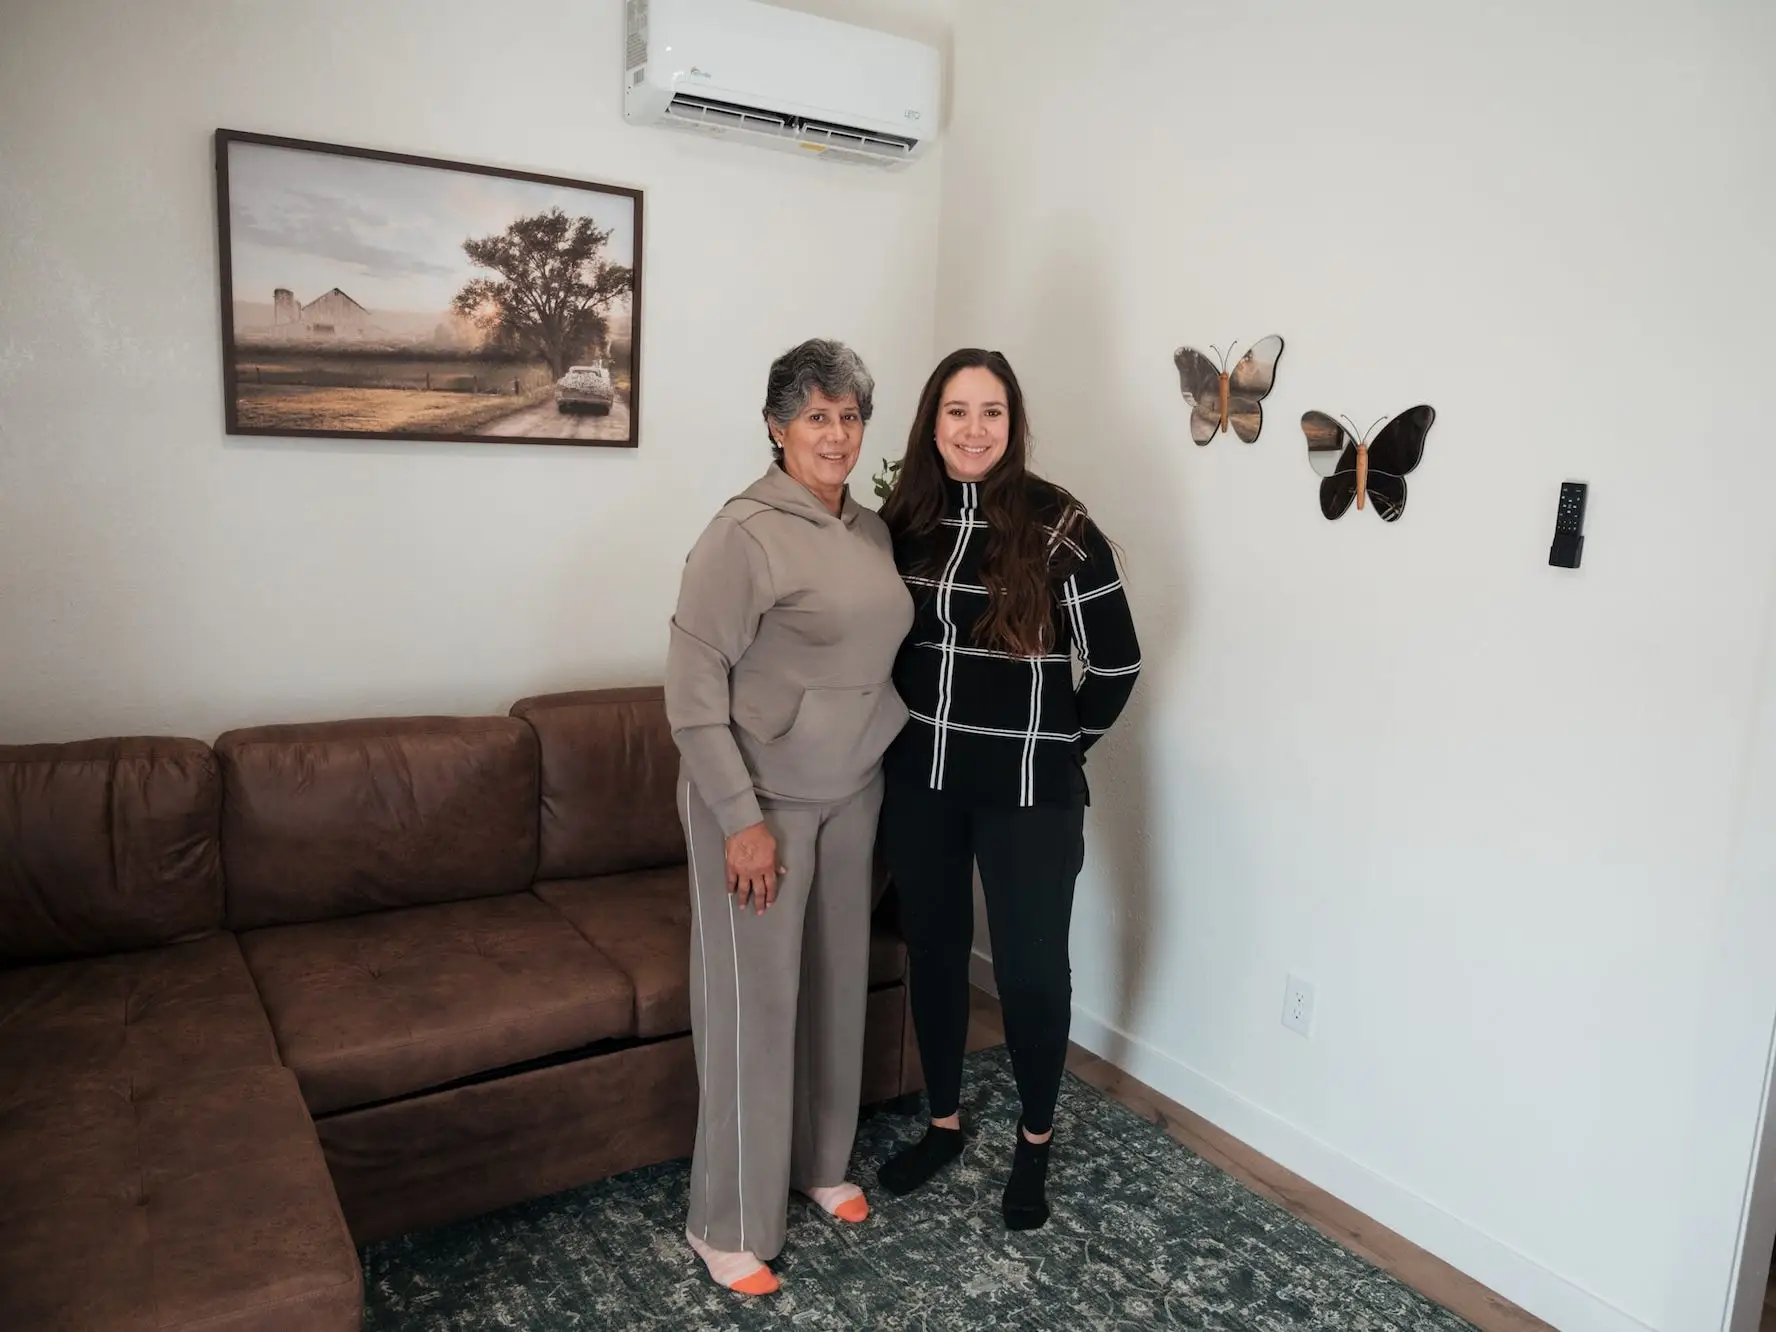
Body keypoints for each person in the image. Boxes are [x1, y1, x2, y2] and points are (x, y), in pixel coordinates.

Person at [665, 339, 914, 1295]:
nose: (837, 435)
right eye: (817, 417)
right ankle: (724, 1218)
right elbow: (691, 695)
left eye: (851, 417)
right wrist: (739, 818)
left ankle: (818, 1163)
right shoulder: (743, 534)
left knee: (835, 986)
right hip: (760, 801)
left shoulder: (873, 530)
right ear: (776, 427)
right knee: (753, 1009)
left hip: (853, 792)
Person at [874, 348, 1141, 1230]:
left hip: (1030, 789)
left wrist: (1063, 745)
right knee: (938, 950)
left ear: (1014, 424)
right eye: (957, 411)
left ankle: (1034, 1140)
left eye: (992, 412)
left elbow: (1119, 662)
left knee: (1029, 972)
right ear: (932, 422)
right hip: (922, 781)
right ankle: (945, 1122)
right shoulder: (899, 519)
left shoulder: (1060, 524)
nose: (975, 429)